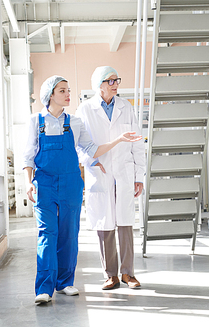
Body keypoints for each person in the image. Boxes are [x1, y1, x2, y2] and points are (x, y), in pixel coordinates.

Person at [23, 75, 141, 304]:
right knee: (47, 234)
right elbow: (28, 154)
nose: (68, 94)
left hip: (71, 184)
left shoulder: (74, 122)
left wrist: (117, 140)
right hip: (44, 184)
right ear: (50, 95)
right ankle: (44, 288)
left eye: (68, 90)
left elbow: (91, 149)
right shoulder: (35, 122)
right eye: (62, 91)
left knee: (69, 234)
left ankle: (65, 282)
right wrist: (28, 182)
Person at [76, 66, 145, 290]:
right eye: (110, 80)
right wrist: (91, 161)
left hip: (124, 173)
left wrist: (139, 175)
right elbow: (77, 145)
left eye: (117, 79)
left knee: (125, 224)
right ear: (99, 85)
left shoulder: (126, 107)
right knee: (104, 226)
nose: (116, 84)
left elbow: (137, 143)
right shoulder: (85, 109)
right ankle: (110, 275)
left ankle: (128, 274)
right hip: (101, 172)